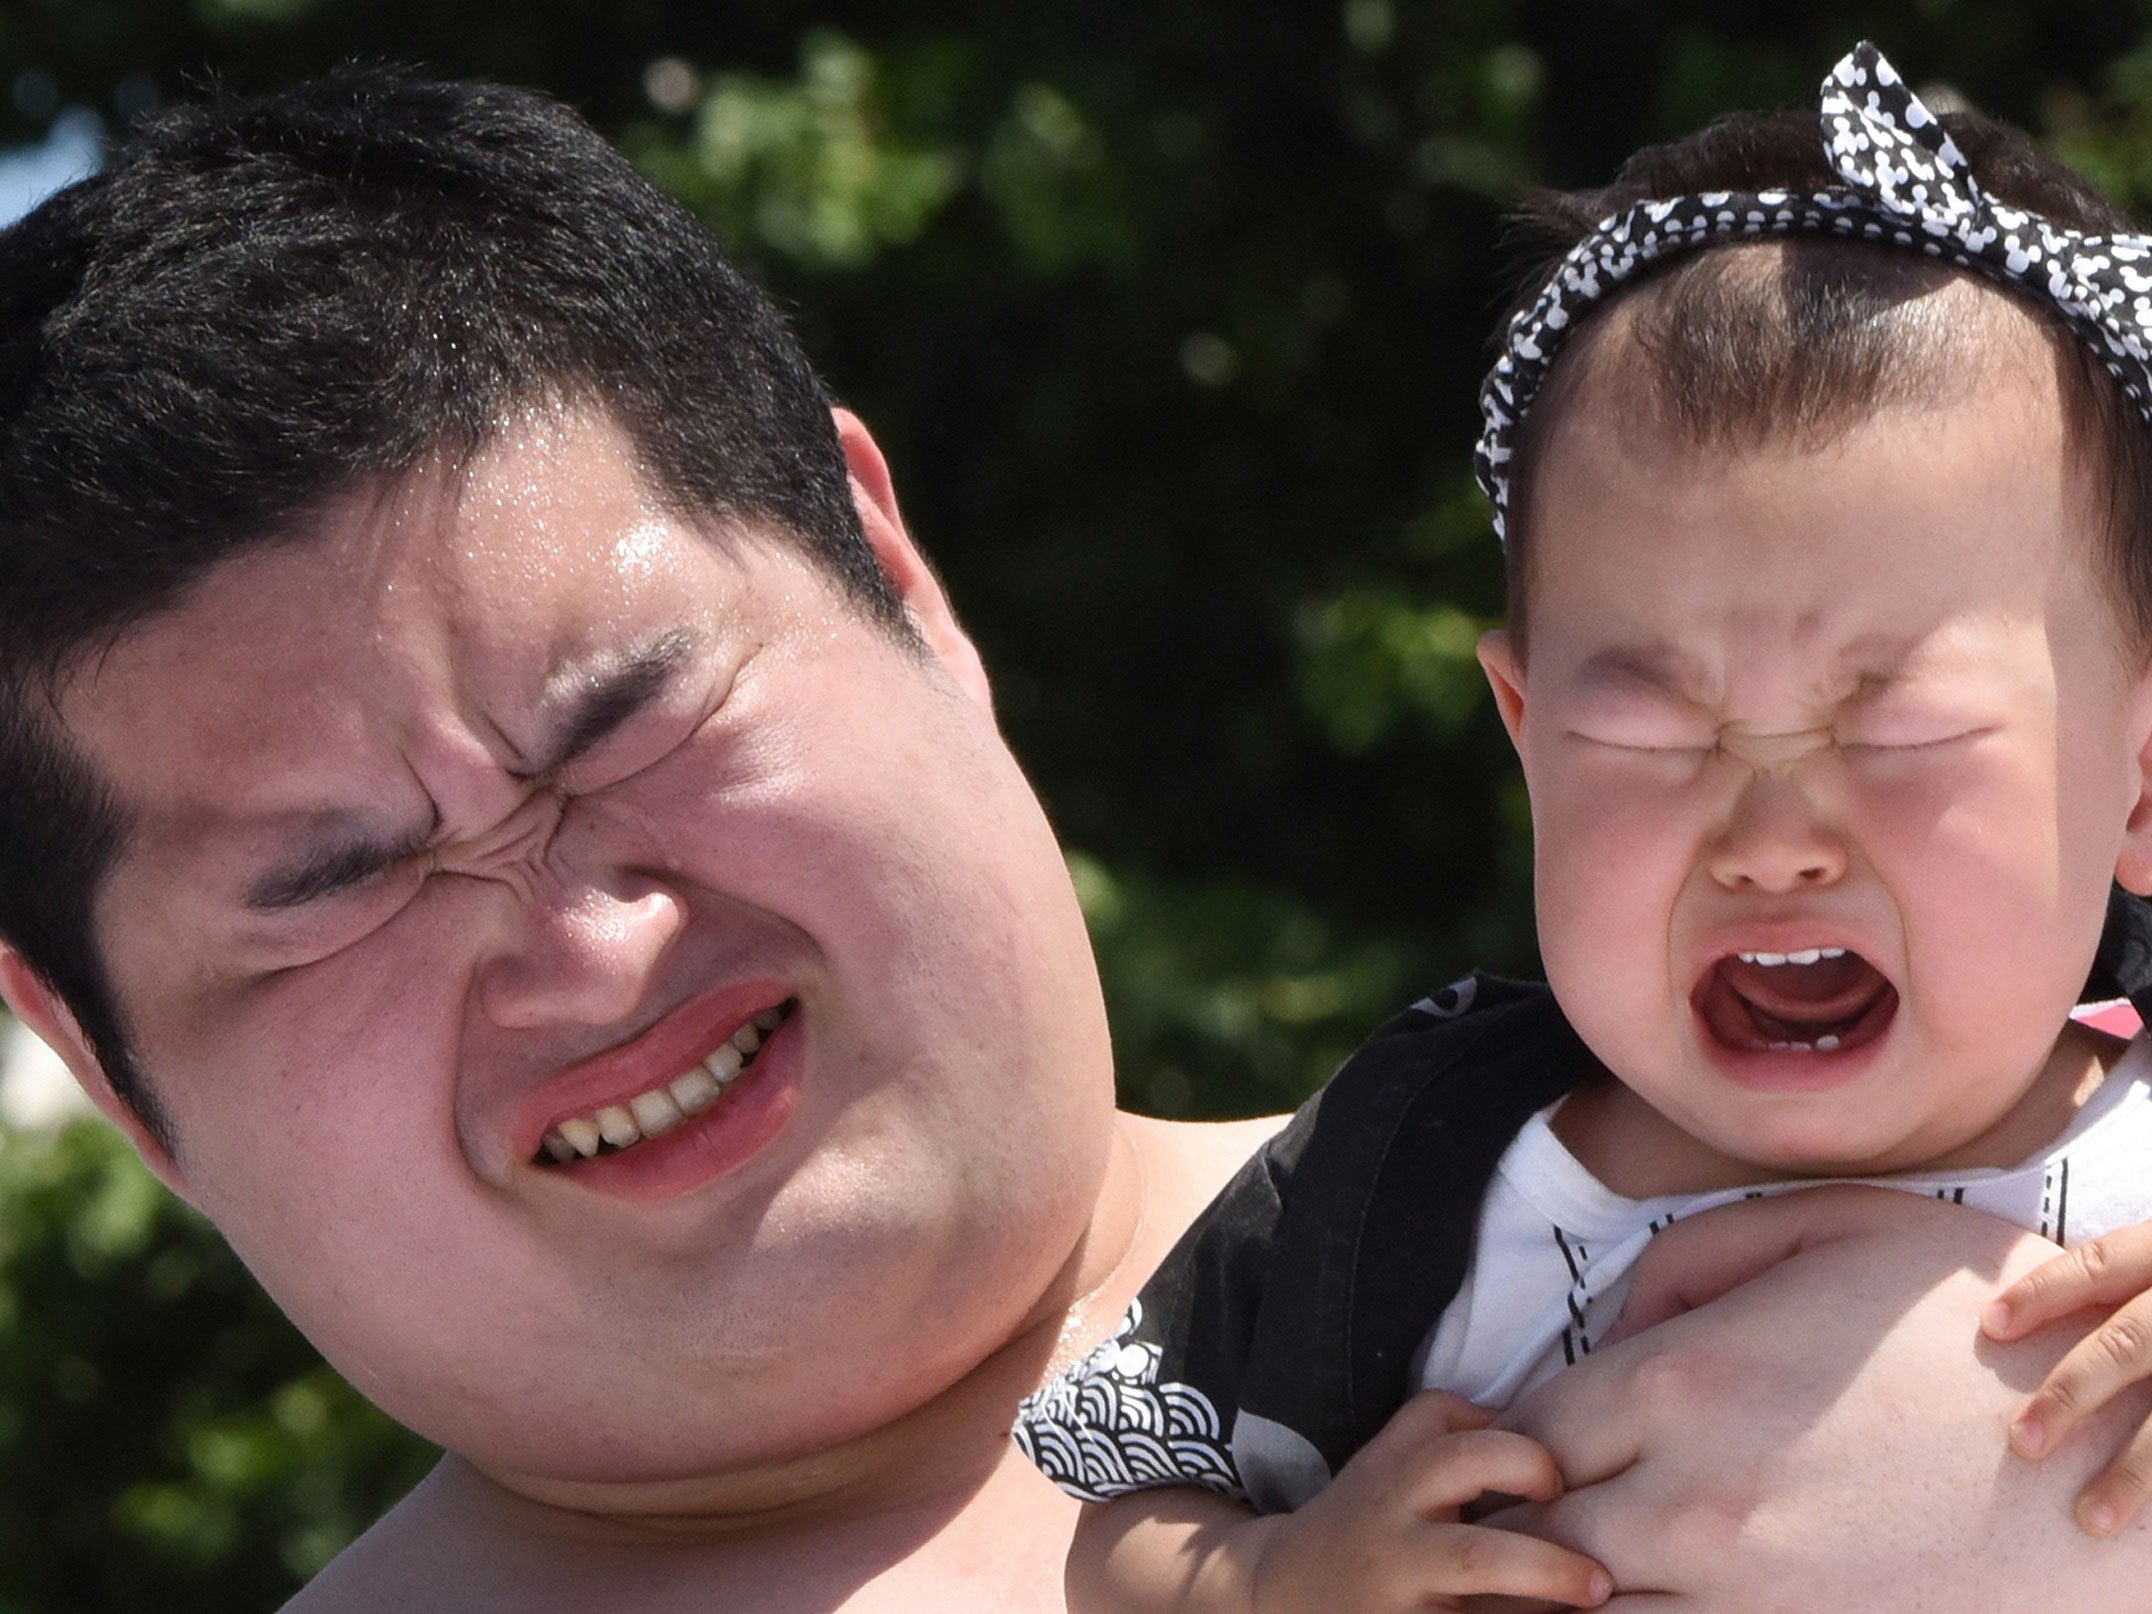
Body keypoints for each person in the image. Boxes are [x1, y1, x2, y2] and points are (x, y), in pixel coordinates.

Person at [0, 58, 2143, 1614]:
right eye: (338, 882)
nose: (577, 947)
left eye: (619, 721)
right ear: (109, 1068)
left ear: (896, 586)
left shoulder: (1484, 1177)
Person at [1019, 44, 2152, 1612]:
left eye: (1894, 727)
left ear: (2143, 776)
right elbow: (1126, 1514)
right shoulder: (1414, 1168)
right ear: (1530, 737)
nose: (1773, 834)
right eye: (1649, 730)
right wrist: (1275, 1578)